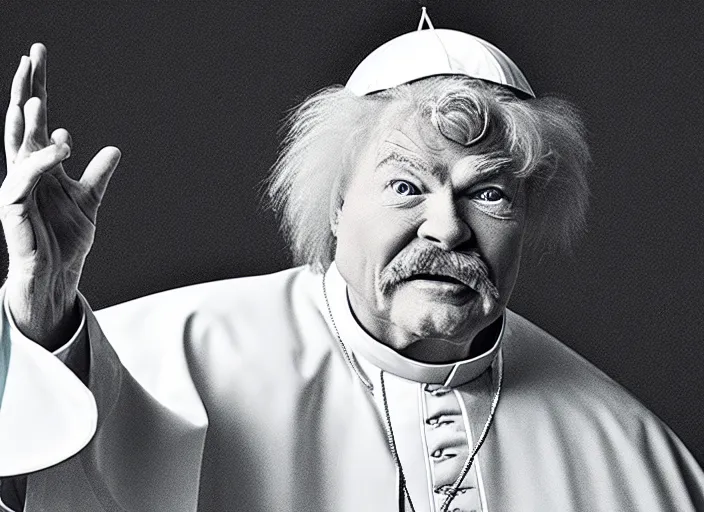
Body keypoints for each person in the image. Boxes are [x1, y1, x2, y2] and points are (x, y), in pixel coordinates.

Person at [0, 10, 703, 512]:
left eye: (488, 194)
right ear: (336, 204)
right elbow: (44, 476)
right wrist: (44, 316)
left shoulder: (637, 455)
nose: (447, 229)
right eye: (406, 186)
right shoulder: (165, 356)